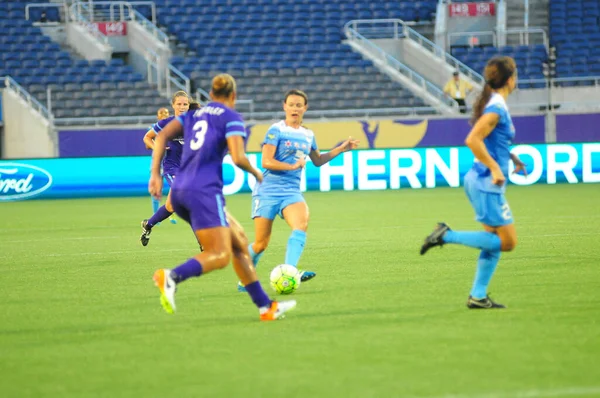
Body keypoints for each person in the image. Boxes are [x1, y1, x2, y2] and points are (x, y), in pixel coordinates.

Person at [149, 74, 296, 320]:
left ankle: (265, 307)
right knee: (219, 254)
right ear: (233, 96)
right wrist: (257, 173)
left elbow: (161, 135)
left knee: (239, 242)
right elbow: (238, 158)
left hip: (180, 191)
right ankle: (172, 277)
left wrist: (155, 174)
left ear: (211, 95)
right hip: (204, 191)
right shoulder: (231, 117)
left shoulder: (193, 115)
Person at [420, 56, 528, 309]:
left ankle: (478, 296)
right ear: (511, 79)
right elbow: (473, 139)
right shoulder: (496, 107)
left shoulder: (495, 104)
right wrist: (494, 167)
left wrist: (512, 158)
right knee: (508, 242)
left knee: (492, 240)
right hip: (486, 181)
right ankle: (445, 236)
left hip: (482, 180)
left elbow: (493, 141)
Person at [238, 89, 359, 292]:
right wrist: (292, 166)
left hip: (291, 192)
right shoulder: (275, 130)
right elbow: (266, 161)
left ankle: (290, 270)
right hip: (267, 191)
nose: (295, 108)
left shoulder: (308, 134)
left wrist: (340, 149)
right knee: (260, 244)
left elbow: (318, 160)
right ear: (284, 106)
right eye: (291, 104)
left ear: (305, 108)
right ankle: (245, 278)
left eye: (299, 105)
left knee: (301, 224)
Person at [140, 92, 192, 245]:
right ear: (173, 105)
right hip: (172, 167)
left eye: (185, 104)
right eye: (179, 104)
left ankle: (148, 224)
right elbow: (147, 137)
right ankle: (203, 244)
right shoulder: (166, 123)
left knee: (171, 206)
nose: (182, 107)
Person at [149, 107, 170, 218]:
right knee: (156, 189)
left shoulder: (174, 126)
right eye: (161, 113)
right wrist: (158, 147)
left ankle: (170, 210)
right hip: (158, 161)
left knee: (174, 187)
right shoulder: (154, 128)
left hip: (172, 161)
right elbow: (147, 143)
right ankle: (156, 213)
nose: (164, 115)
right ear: (158, 116)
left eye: (166, 113)